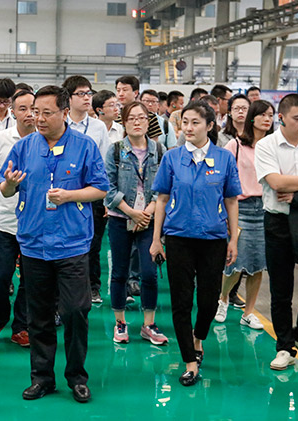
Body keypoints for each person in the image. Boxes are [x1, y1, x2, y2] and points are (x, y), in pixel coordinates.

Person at [0, 85, 109, 403]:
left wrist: (70, 195)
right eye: (36, 112)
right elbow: (6, 190)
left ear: (64, 113)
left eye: (47, 113)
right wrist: (10, 184)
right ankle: (42, 377)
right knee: (39, 315)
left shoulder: (85, 146)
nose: (39, 118)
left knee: (75, 311)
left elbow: (100, 188)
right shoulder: (24, 147)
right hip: (34, 243)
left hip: (72, 244)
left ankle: (77, 376)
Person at [150, 100, 241, 386]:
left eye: (195, 122)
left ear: (210, 126)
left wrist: (233, 238)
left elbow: (231, 200)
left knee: (208, 300)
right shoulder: (172, 157)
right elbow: (161, 199)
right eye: (185, 122)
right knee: (181, 300)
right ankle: (190, 360)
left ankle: (198, 337)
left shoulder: (224, 158)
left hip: (213, 239)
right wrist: (156, 239)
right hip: (178, 238)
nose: (188, 128)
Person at [254, 93, 298, 370]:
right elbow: (277, 183)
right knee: (281, 289)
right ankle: (284, 346)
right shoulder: (267, 146)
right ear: (281, 118)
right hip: (279, 224)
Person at [104, 101, 168, 346]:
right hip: (120, 219)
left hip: (149, 220)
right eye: (131, 118)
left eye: (141, 117)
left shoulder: (159, 150)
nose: (137, 122)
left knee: (149, 273)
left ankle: (148, 324)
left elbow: (164, 188)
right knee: (119, 272)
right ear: (124, 122)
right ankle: (120, 322)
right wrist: (131, 212)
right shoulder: (115, 151)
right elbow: (108, 188)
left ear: (148, 122)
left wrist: (147, 212)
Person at [214, 99, 275, 330]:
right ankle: (223, 298)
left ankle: (248, 312)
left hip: (266, 208)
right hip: (240, 208)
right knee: (235, 262)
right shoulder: (235, 145)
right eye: (263, 115)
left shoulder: (273, 147)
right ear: (252, 118)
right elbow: (222, 180)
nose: (267, 119)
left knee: (259, 264)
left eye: (271, 115)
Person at [0, 90, 36, 347]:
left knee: (30, 279)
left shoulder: (45, 142)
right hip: (3, 221)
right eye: (23, 109)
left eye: (33, 108)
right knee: (0, 278)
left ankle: (21, 326)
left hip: (35, 224)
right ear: (12, 111)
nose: (29, 114)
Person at [63, 75, 111, 303]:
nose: (86, 98)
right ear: (68, 98)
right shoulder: (61, 124)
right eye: (81, 94)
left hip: (92, 195)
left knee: (93, 244)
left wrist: (107, 199)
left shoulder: (98, 127)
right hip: (65, 194)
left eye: (89, 93)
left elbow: (104, 163)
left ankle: (92, 287)